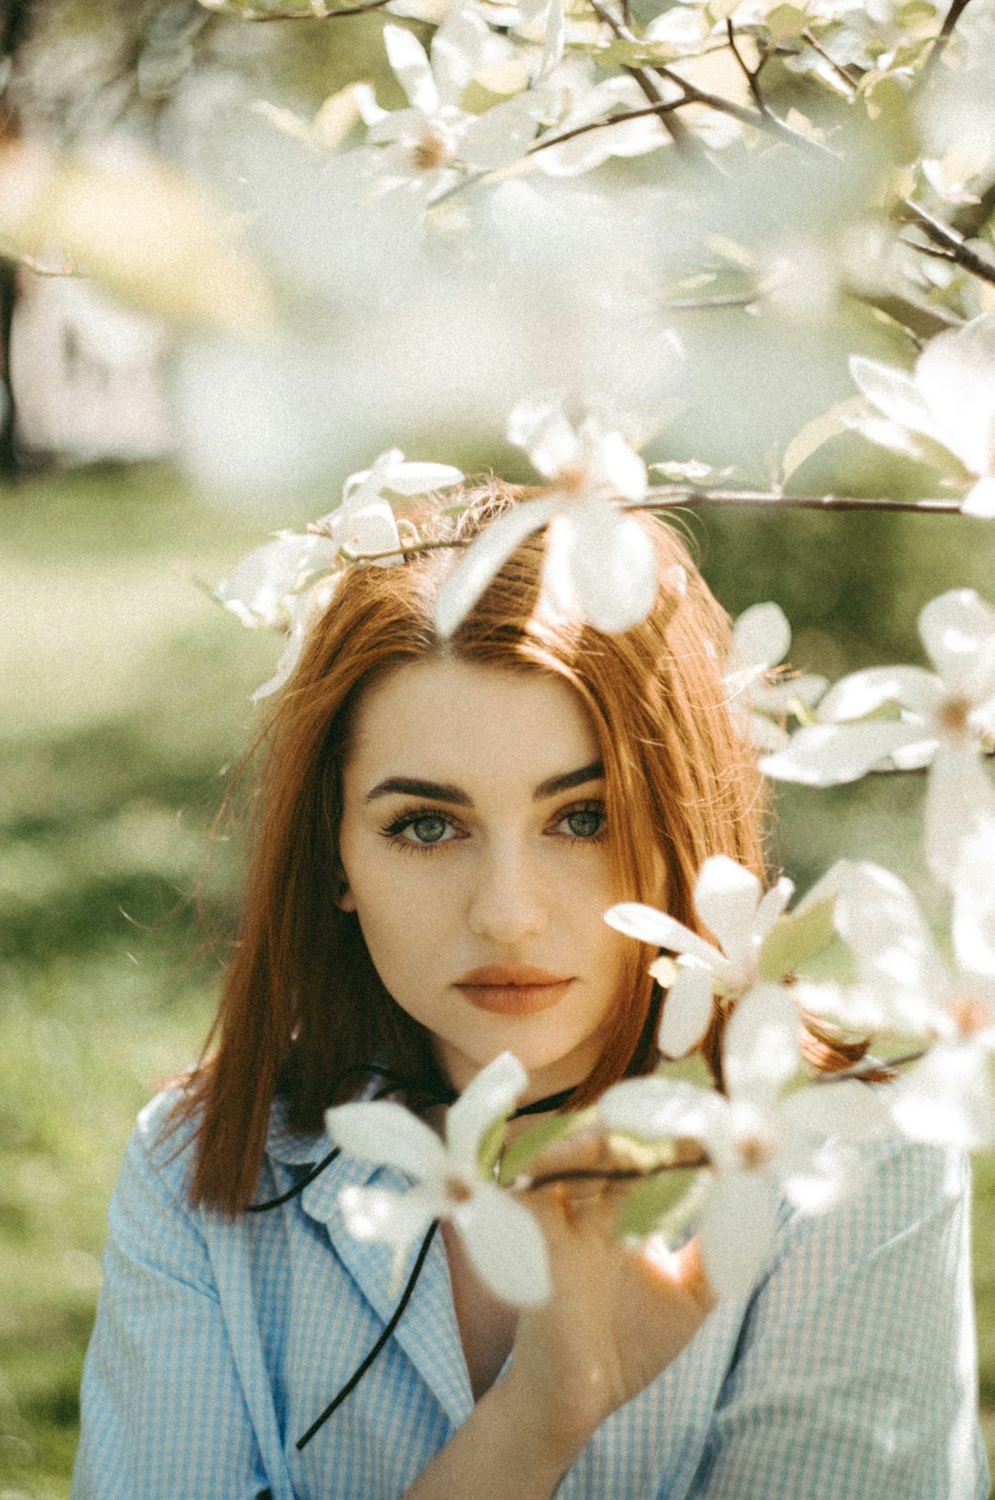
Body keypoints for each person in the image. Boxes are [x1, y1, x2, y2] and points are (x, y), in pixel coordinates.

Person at [72, 483, 988, 1499]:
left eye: (584, 818)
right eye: (427, 826)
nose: (506, 914)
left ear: (683, 819)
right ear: (333, 855)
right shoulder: (200, 1175)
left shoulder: (855, 1148)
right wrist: (538, 1416)